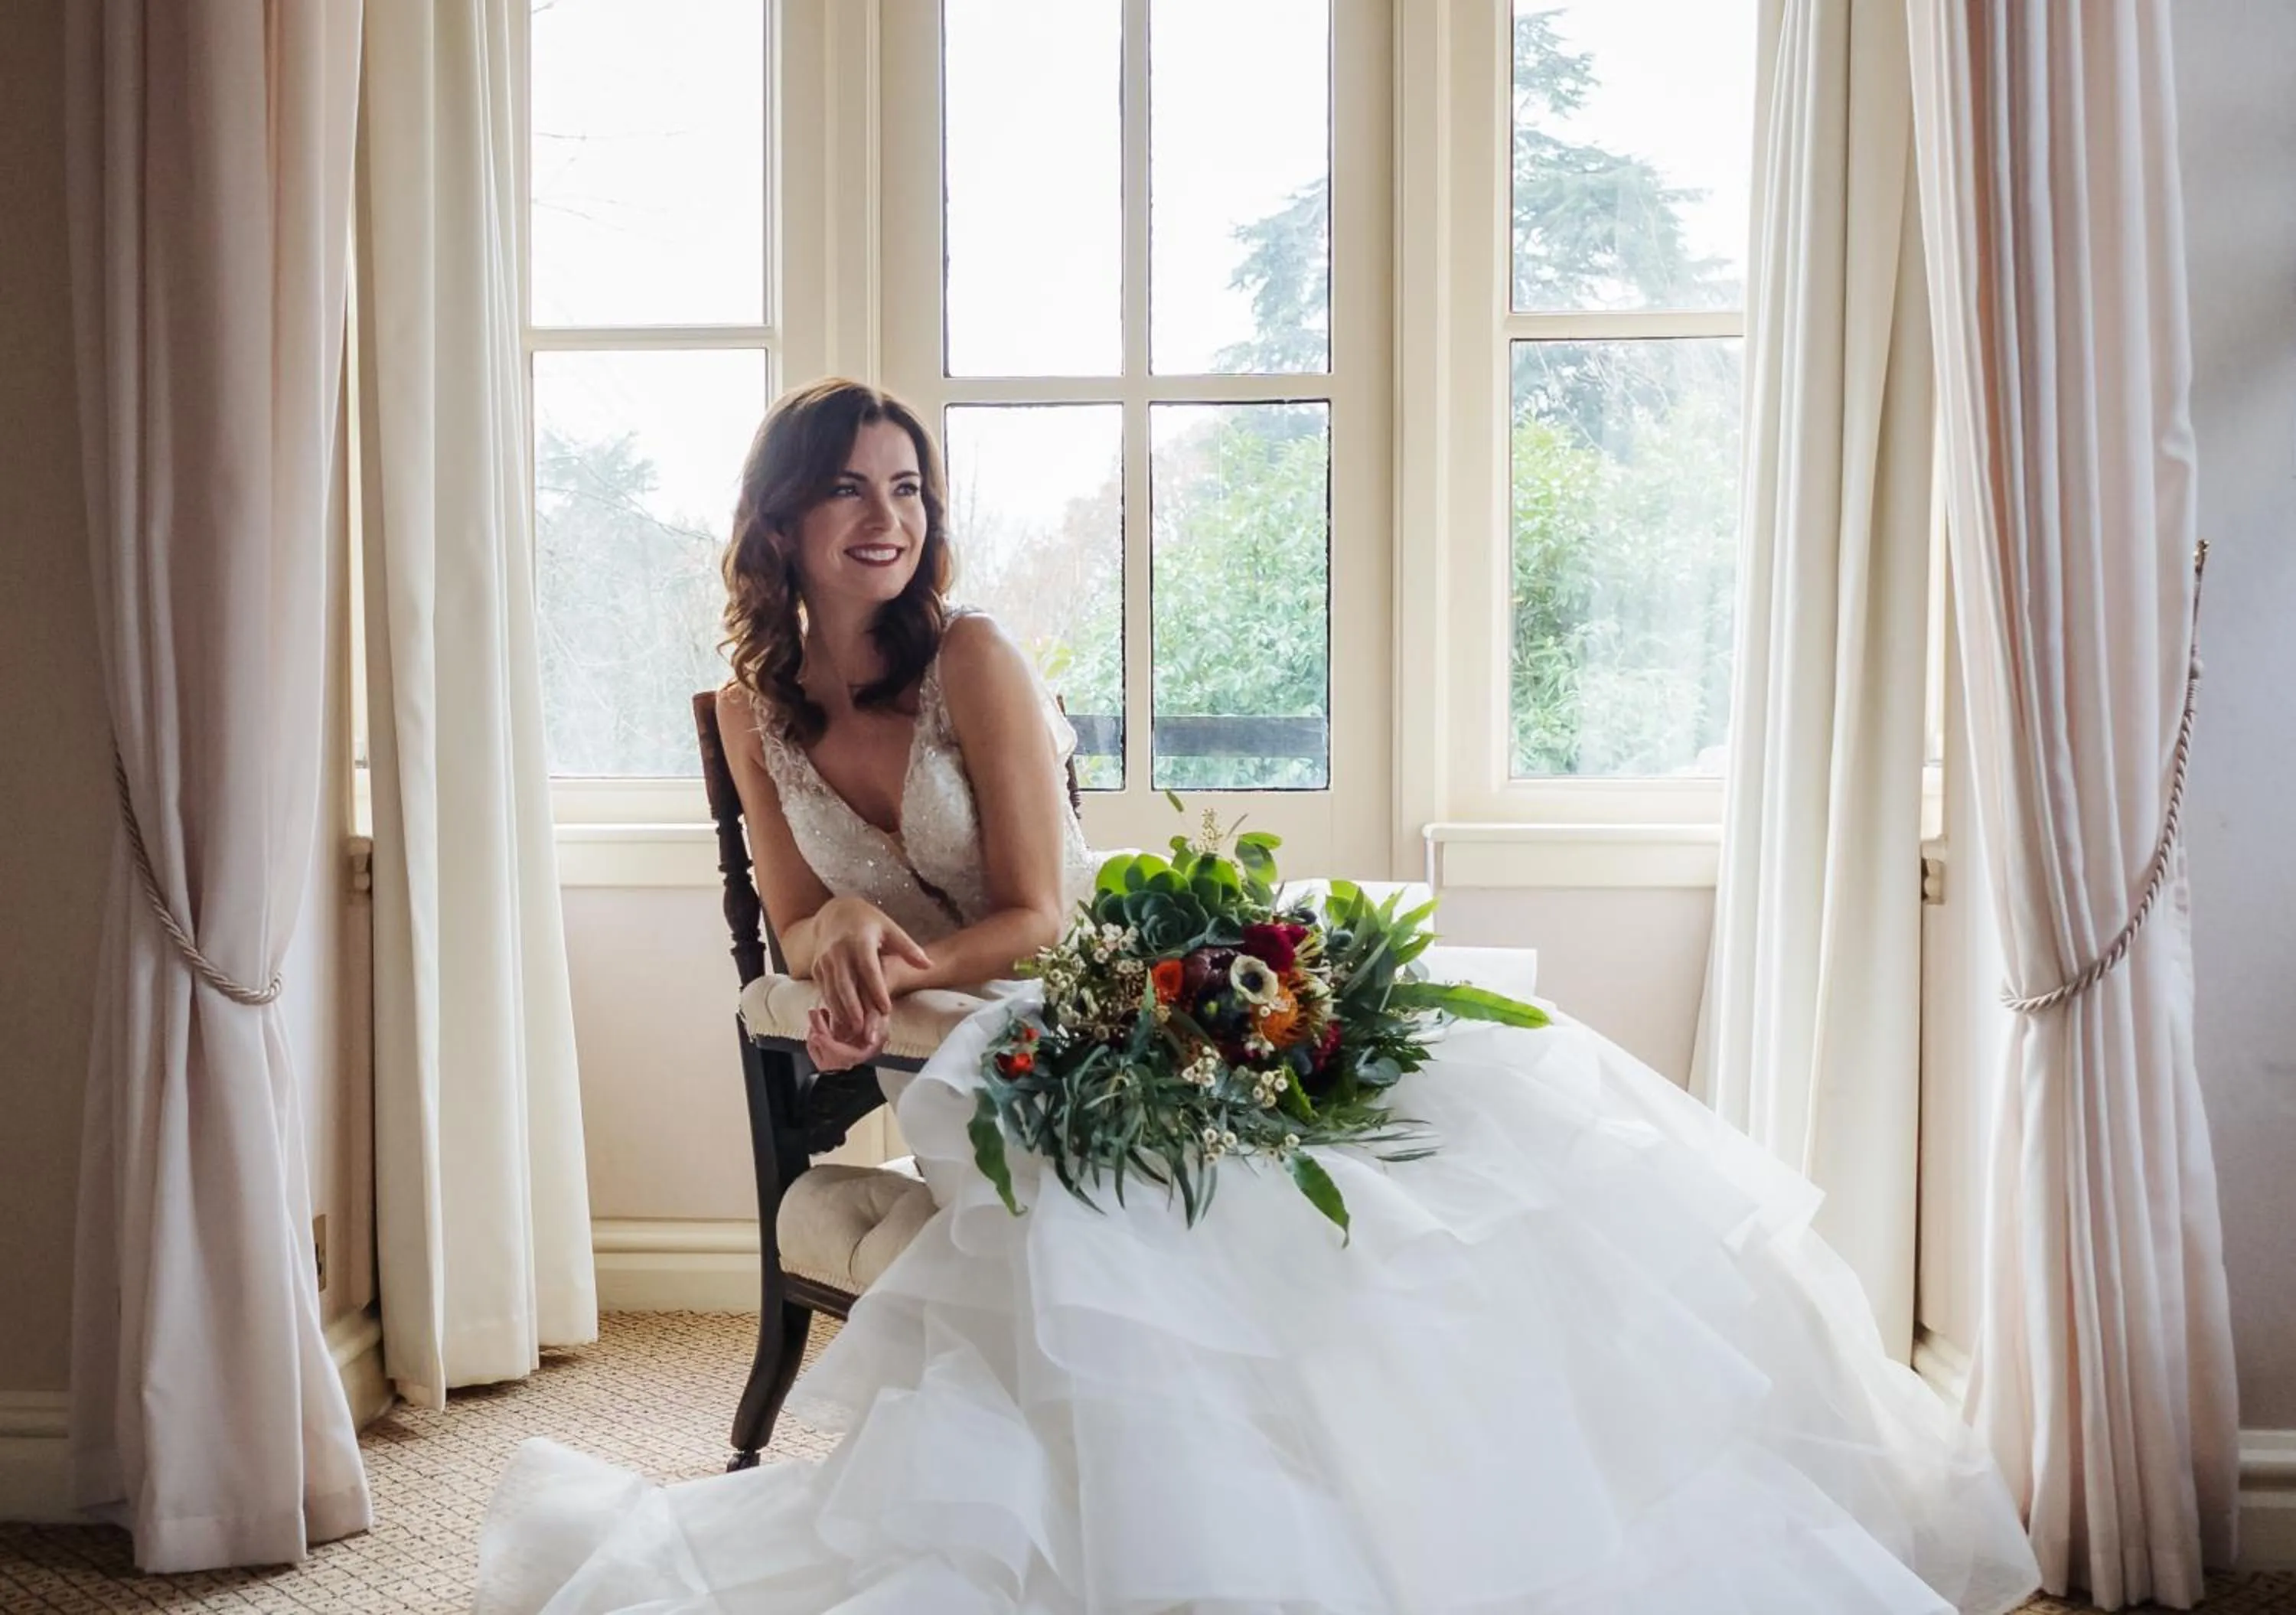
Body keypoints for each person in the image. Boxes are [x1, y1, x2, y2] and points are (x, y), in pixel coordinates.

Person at [473, 380, 2042, 1615]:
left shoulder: (977, 660)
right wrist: (840, 958)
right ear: (782, 519)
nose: (887, 514)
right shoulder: (753, 711)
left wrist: (902, 960)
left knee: (1291, 1215)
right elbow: (805, 909)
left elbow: (1029, 906)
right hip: (966, 1034)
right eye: (849, 485)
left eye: (909, 485)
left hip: (1108, 991)